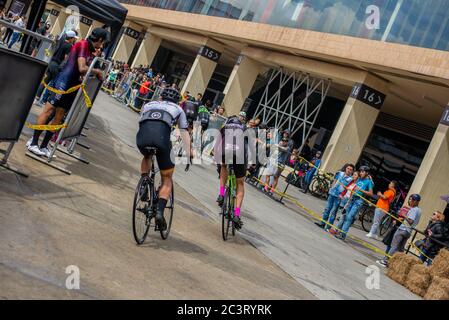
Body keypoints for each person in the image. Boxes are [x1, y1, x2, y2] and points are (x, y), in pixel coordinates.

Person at [27, 28, 109, 157]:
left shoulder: (91, 51)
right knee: (48, 111)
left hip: (73, 86)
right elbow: (82, 68)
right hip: (63, 82)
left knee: (59, 117)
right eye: (103, 42)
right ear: (99, 40)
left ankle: (43, 146)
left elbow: (82, 70)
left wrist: (93, 71)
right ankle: (33, 143)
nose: (102, 45)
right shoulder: (82, 44)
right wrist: (97, 71)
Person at [136, 87, 191, 231]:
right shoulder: (179, 109)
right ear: (177, 100)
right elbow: (184, 132)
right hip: (161, 140)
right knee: (167, 177)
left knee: (147, 155)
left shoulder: (148, 104)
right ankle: (159, 212)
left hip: (142, 139)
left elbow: (141, 122)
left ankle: (143, 182)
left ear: (161, 97)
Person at [215, 113, 249, 230]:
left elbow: (217, 144)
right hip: (239, 155)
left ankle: (221, 194)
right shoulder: (244, 128)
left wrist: (217, 160)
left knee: (224, 166)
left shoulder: (225, 127)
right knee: (240, 183)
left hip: (226, 151)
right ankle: (237, 214)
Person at [377, 194, 422, 267]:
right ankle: (400, 264)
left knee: (394, 246)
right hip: (408, 231)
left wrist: (404, 215)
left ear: (417, 201)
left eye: (413, 200)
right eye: (411, 199)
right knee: (401, 249)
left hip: (403, 229)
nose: (411, 201)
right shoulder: (419, 210)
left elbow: (410, 221)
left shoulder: (414, 210)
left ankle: (385, 261)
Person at [36, 30, 78, 104]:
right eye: (74, 38)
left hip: (51, 62)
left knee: (45, 81)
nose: (74, 39)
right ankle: (44, 100)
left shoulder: (60, 42)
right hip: (57, 66)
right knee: (53, 83)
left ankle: (37, 98)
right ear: (71, 38)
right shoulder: (69, 46)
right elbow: (66, 58)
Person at [334, 166, 374, 241]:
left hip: (358, 201)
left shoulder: (368, 182)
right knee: (345, 216)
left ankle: (342, 235)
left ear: (367, 173)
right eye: (360, 171)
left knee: (349, 217)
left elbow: (371, 193)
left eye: (363, 171)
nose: (361, 173)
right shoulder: (359, 179)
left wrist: (361, 190)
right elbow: (352, 182)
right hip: (352, 199)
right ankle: (340, 233)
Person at [315, 164, 355, 231]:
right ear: (345, 168)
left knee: (333, 212)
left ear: (352, 171)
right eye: (348, 168)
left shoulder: (351, 179)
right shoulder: (340, 173)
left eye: (351, 169)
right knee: (327, 209)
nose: (349, 170)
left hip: (339, 196)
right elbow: (335, 180)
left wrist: (342, 195)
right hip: (332, 193)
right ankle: (322, 223)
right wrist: (331, 188)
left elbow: (348, 189)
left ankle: (328, 227)